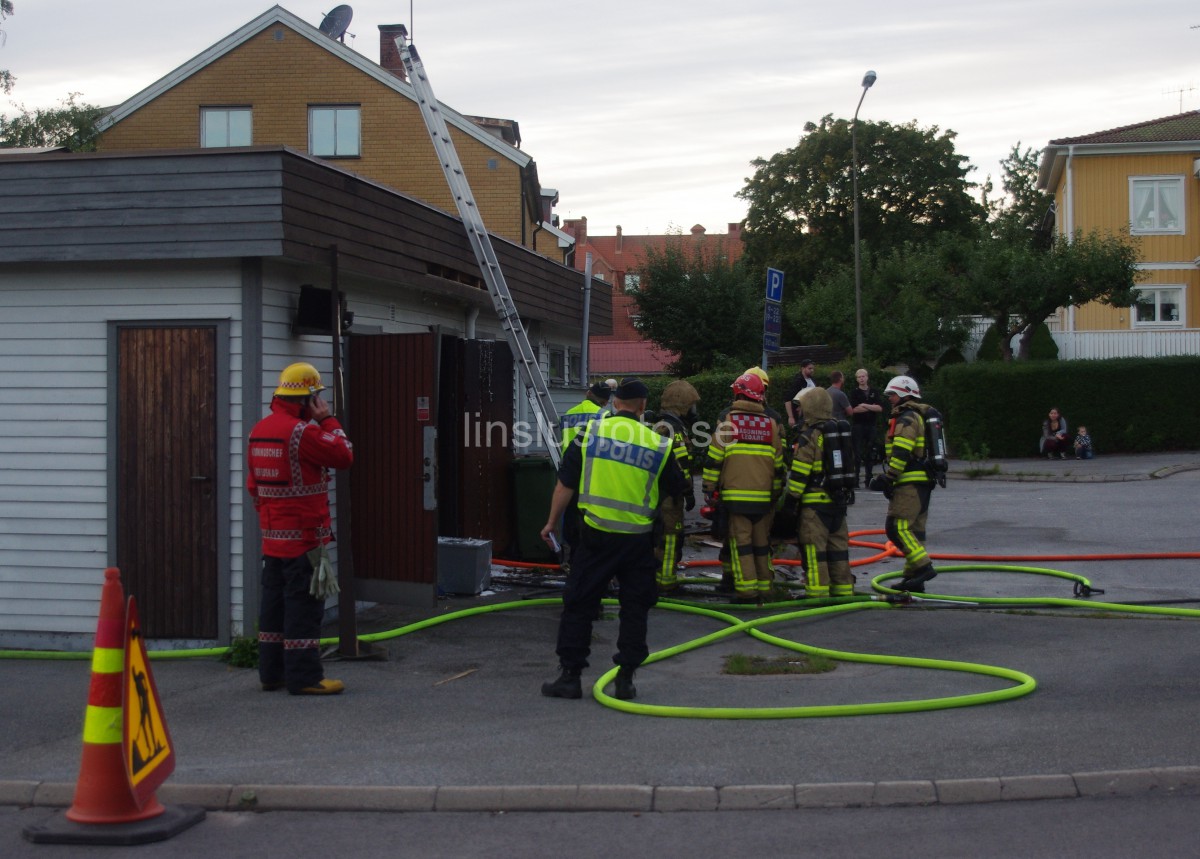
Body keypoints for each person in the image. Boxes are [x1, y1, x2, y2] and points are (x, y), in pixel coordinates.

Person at [539, 377, 687, 701]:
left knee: (579, 604)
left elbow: (565, 483)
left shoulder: (590, 434)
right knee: (634, 609)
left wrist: (551, 523)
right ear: (643, 407)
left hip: (595, 536)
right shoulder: (659, 444)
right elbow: (677, 487)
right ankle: (625, 679)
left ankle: (570, 677)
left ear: (615, 402)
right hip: (637, 540)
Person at [247, 362, 354, 695]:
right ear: (307, 399)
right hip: (305, 538)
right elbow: (343, 454)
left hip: (272, 537)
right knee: (304, 608)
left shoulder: (259, 430)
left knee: (274, 606)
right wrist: (328, 420)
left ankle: (272, 673)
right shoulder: (303, 432)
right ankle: (305, 677)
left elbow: (254, 487)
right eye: (316, 398)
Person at [703, 373, 785, 603]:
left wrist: (709, 489)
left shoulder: (728, 423)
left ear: (737, 393)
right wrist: (775, 493)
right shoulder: (771, 424)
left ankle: (747, 592)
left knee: (742, 547)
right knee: (761, 546)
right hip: (764, 500)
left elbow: (713, 461)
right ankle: (766, 589)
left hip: (736, 499)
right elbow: (779, 466)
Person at [868, 375, 938, 593]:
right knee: (915, 531)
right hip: (922, 482)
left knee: (896, 527)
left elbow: (901, 451)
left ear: (905, 395)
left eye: (893, 394)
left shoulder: (907, 417)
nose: (890, 399)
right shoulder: (916, 416)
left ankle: (924, 567)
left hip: (910, 482)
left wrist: (889, 477)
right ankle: (914, 579)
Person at [784, 387, 854, 598]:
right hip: (838, 501)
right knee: (838, 549)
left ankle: (817, 593)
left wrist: (790, 500)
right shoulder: (839, 431)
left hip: (815, 506)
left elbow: (801, 472)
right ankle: (843, 591)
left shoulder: (810, 435)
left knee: (815, 551)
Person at [652, 380, 700, 594]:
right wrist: (688, 491)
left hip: (671, 493)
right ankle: (665, 581)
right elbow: (679, 467)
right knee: (670, 537)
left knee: (668, 536)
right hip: (669, 496)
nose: (693, 411)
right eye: (691, 406)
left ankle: (662, 577)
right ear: (681, 405)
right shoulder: (669, 428)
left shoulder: (670, 425)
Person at [559, 382, 613, 566]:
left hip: (570, 472)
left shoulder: (568, 414)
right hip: (593, 473)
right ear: (605, 402)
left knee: (571, 517)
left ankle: (572, 559)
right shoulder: (605, 415)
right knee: (592, 520)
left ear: (587, 393)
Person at [848, 368, 885, 487]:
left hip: (871, 425)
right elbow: (853, 410)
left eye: (863, 376)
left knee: (870, 452)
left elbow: (879, 408)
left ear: (867, 377)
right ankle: (855, 479)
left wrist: (864, 405)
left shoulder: (874, 391)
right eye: (859, 377)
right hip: (858, 425)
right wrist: (871, 406)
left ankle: (868, 478)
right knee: (857, 454)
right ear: (856, 379)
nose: (861, 379)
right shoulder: (854, 393)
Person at [784, 359, 816, 428]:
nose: (812, 370)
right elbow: (787, 399)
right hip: (801, 415)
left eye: (813, 369)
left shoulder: (812, 380)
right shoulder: (798, 381)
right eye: (809, 368)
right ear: (803, 368)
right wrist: (791, 417)